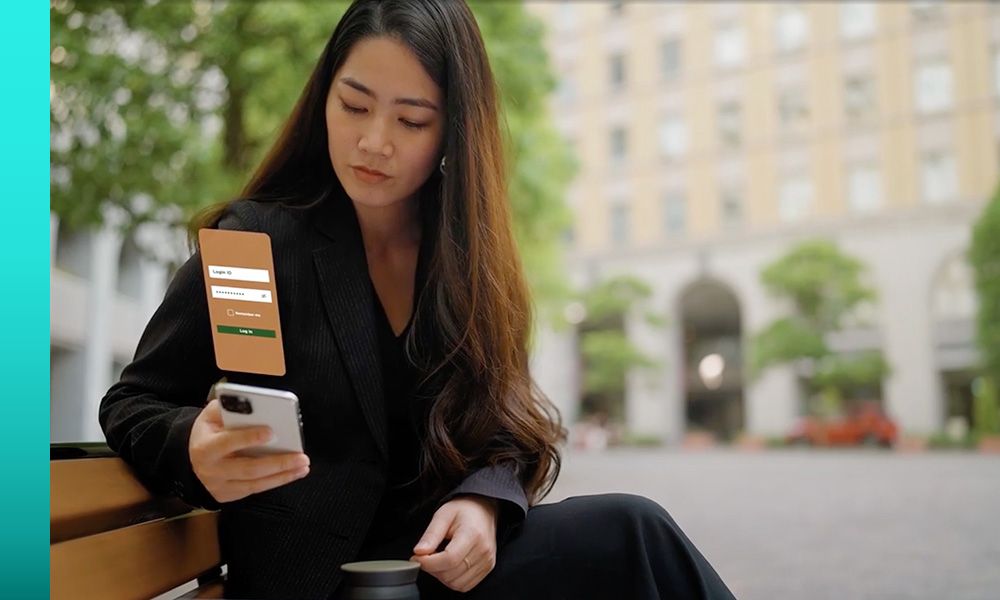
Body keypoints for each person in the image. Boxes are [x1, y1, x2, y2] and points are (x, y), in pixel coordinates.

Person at [99, 1, 737, 598]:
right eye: (353, 106)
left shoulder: (464, 262)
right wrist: (193, 447)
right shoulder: (255, 248)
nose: (375, 141)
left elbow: (509, 428)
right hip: (315, 584)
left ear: (452, 135)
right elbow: (134, 403)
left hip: (443, 575)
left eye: (411, 120)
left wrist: (485, 502)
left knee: (633, 531)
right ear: (323, 99)